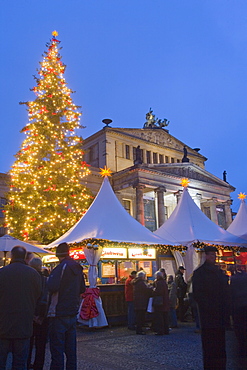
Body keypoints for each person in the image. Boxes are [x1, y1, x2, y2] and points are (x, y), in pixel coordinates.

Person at [0, 246, 42, 370]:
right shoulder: (33, 274)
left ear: (11, 256)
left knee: (1, 360)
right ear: (24, 257)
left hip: (3, 324)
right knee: (20, 361)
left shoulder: (2, 273)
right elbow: (38, 295)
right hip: (24, 323)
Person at [47, 242, 86, 370]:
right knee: (71, 348)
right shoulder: (78, 268)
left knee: (57, 348)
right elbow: (82, 288)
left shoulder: (60, 268)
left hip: (59, 312)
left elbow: (51, 287)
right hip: (72, 311)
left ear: (59, 255)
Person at [193, 246, 230, 369]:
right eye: (211, 255)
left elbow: (225, 291)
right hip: (208, 316)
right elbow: (198, 294)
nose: (213, 257)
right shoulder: (200, 273)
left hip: (219, 315)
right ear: (206, 256)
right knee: (210, 346)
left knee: (220, 345)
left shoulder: (218, 272)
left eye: (215, 255)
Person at [28, 257, 49, 370]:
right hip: (42, 317)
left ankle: (26, 363)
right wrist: (41, 315)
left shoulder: (28, 280)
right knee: (41, 345)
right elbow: (46, 299)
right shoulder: (46, 280)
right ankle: (38, 366)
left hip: (29, 316)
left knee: (28, 343)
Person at [230, 268, 247, 361]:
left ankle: (241, 349)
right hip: (243, 307)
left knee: (239, 329)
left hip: (237, 308)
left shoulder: (234, 280)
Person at [152, 271, 170, 335]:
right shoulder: (164, 282)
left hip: (160, 302)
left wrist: (153, 289)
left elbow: (158, 292)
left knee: (159, 317)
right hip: (165, 301)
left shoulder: (159, 283)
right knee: (165, 316)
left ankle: (160, 331)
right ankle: (166, 330)